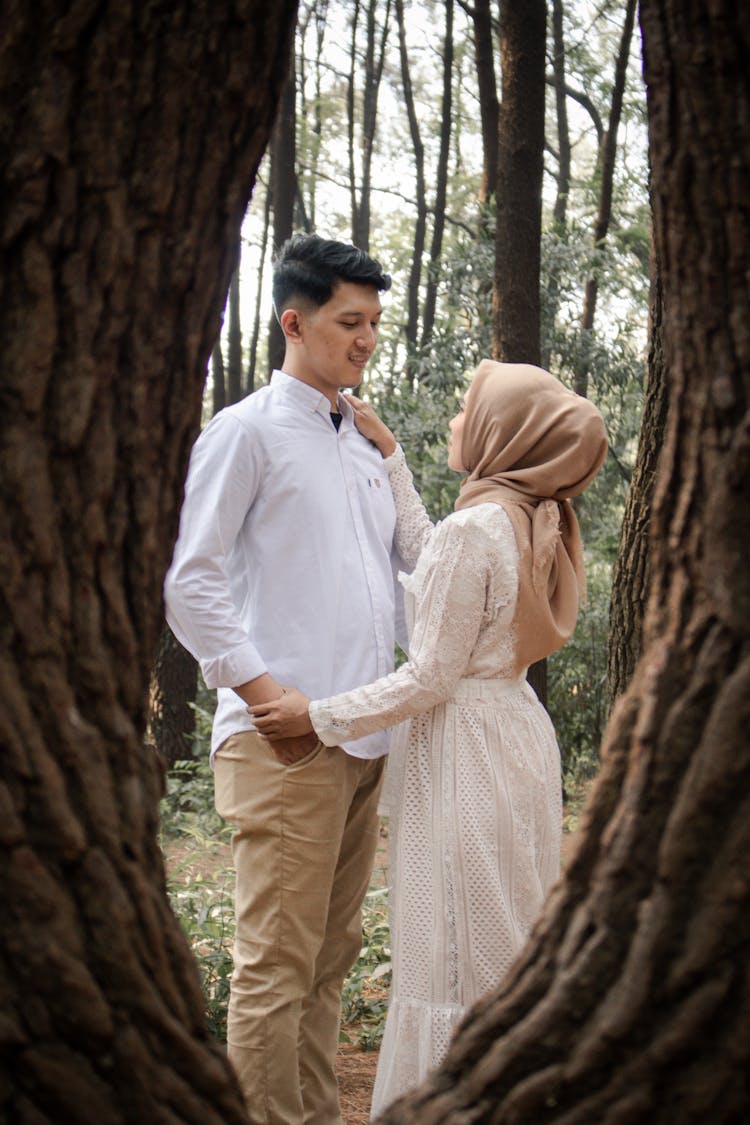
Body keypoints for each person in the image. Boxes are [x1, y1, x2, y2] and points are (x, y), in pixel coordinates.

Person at [249, 359, 609, 1116]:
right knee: (504, 937)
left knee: (451, 949)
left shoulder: (479, 526)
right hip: (514, 737)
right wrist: (396, 462)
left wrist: (317, 715)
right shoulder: (529, 515)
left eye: (468, 409)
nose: (454, 420)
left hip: (466, 750)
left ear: (504, 433)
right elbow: (435, 568)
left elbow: (428, 674)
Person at [164, 233, 403, 1124]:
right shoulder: (245, 432)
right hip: (283, 747)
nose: (367, 339)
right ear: (293, 323)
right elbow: (191, 575)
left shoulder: (363, 448)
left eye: (374, 322)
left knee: (329, 964)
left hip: (362, 735)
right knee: (275, 966)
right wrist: (263, 695)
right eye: (350, 321)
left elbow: (388, 591)